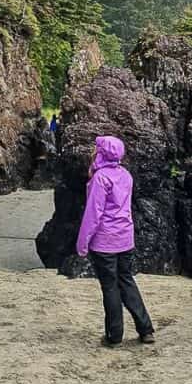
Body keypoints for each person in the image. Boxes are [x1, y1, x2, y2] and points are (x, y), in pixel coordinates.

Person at [76, 135, 156, 347]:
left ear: (101, 153)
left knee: (110, 287)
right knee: (127, 281)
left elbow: (94, 214)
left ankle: (115, 335)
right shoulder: (125, 175)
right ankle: (145, 329)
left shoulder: (100, 178)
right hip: (125, 238)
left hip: (104, 242)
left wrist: (82, 243)